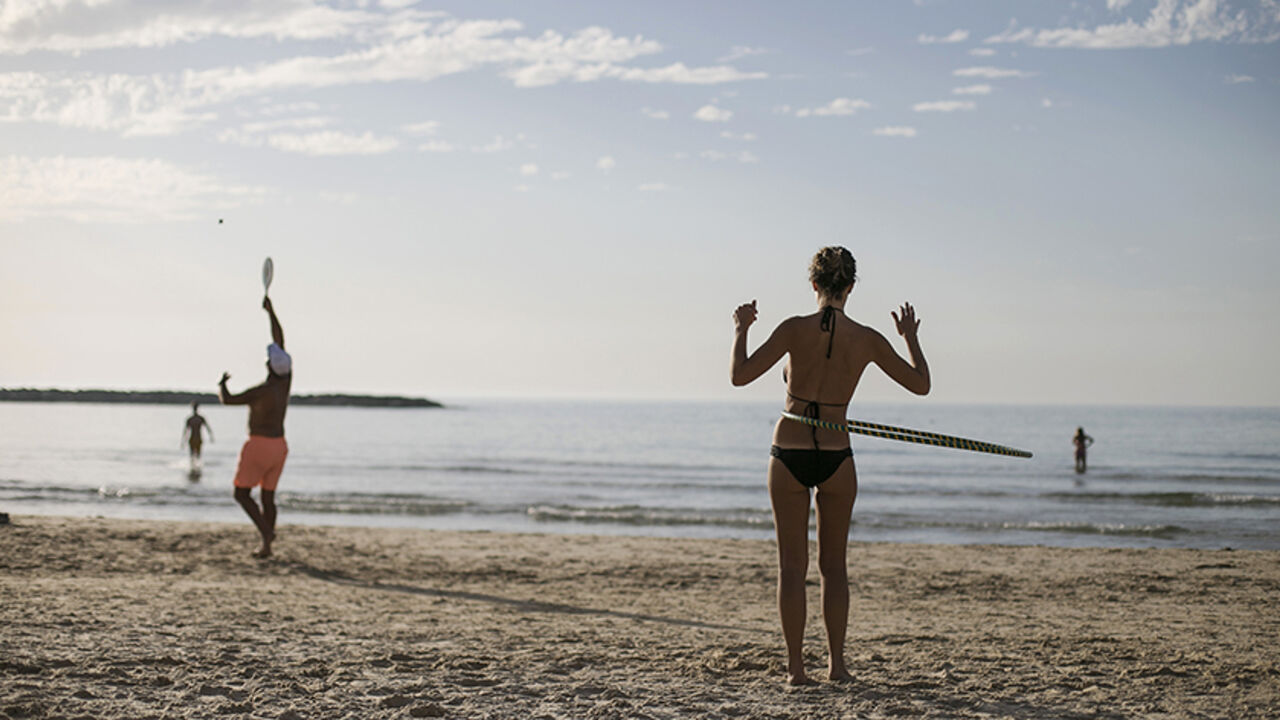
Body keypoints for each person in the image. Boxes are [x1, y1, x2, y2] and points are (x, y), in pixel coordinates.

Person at [731, 246, 930, 686]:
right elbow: (921, 385)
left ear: (814, 284)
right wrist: (910, 337)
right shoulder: (868, 338)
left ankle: (796, 669)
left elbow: (740, 375)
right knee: (833, 567)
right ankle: (837, 666)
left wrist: (741, 330)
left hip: (788, 452)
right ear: (851, 287)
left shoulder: (792, 330)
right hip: (837, 457)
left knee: (791, 567)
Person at [219, 297, 292, 559]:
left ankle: (266, 532)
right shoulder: (285, 383)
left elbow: (228, 400)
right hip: (280, 447)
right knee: (268, 497)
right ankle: (266, 547)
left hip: (258, 445)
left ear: (268, 366)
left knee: (241, 494)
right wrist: (272, 313)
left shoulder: (260, 392)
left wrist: (222, 384)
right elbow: (280, 339)